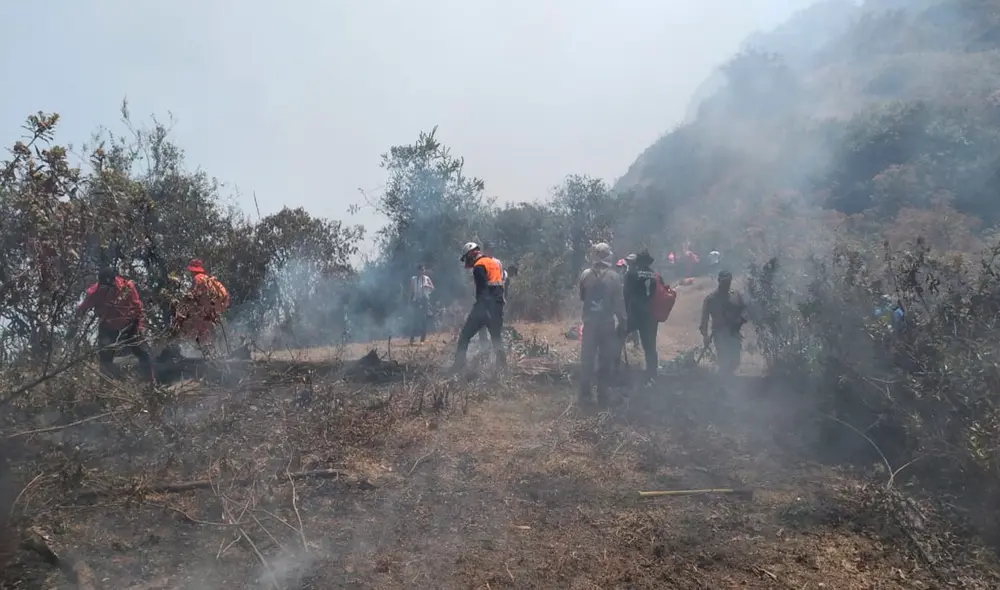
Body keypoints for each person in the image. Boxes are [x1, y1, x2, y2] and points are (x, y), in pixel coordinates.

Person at [76, 267, 154, 381]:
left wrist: (137, 327)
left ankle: (151, 385)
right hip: (107, 327)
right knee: (105, 360)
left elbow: (138, 308)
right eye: (103, 288)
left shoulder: (127, 287)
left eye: (109, 287)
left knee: (143, 354)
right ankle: (104, 388)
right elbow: (82, 309)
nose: (106, 290)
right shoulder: (94, 292)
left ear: (114, 281)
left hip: (129, 325)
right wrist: (75, 325)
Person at [578, 243, 626, 406]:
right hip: (606, 325)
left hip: (590, 324)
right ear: (608, 256)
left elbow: (583, 297)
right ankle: (602, 396)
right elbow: (618, 303)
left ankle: (585, 395)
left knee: (587, 361)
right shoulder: (614, 277)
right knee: (605, 361)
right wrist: (623, 321)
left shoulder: (585, 275)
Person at [449, 242, 507, 373]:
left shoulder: (479, 266)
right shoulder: (494, 263)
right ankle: (503, 368)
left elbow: (483, 291)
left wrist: (480, 309)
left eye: (466, 257)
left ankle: (458, 365)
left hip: (485, 306)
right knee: (497, 338)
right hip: (497, 306)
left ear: (471, 254)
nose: (467, 261)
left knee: (465, 336)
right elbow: (498, 286)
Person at [173, 259, 230, 357]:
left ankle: (208, 354)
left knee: (199, 330)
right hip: (210, 310)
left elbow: (194, 296)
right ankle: (212, 353)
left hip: (202, 311)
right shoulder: (206, 278)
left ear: (192, 270)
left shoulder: (197, 279)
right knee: (204, 331)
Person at [699, 270, 747, 375]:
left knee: (735, 361)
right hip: (719, 333)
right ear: (719, 281)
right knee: (724, 360)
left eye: (728, 281)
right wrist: (705, 336)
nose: (726, 284)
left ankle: (725, 379)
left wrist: (741, 319)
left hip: (734, 332)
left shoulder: (736, 295)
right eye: (724, 281)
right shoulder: (711, 299)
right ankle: (722, 382)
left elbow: (744, 310)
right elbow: (704, 319)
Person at [622, 250, 660, 384]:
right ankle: (652, 374)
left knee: (617, 337)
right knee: (650, 346)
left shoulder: (631, 274)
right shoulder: (656, 275)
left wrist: (624, 314)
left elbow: (625, 295)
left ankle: (614, 367)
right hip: (651, 316)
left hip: (634, 314)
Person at [477, 241, 509, 344]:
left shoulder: (497, 262)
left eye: (492, 249)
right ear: (484, 250)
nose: (491, 251)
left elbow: (501, 281)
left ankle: (497, 344)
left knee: (497, 322)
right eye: (489, 249)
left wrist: (502, 297)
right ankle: (484, 346)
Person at [408, 264, 435, 345]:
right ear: (418, 271)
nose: (421, 271)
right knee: (415, 320)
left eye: (423, 270)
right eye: (420, 270)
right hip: (416, 300)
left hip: (424, 300)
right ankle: (412, 339)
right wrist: (409, 302)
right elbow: (411, 291)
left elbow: (433, 288)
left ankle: (422, 340)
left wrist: (427, 285)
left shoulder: (427, 278)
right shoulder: (413, 279)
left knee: (424, 320)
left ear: (424, 270)